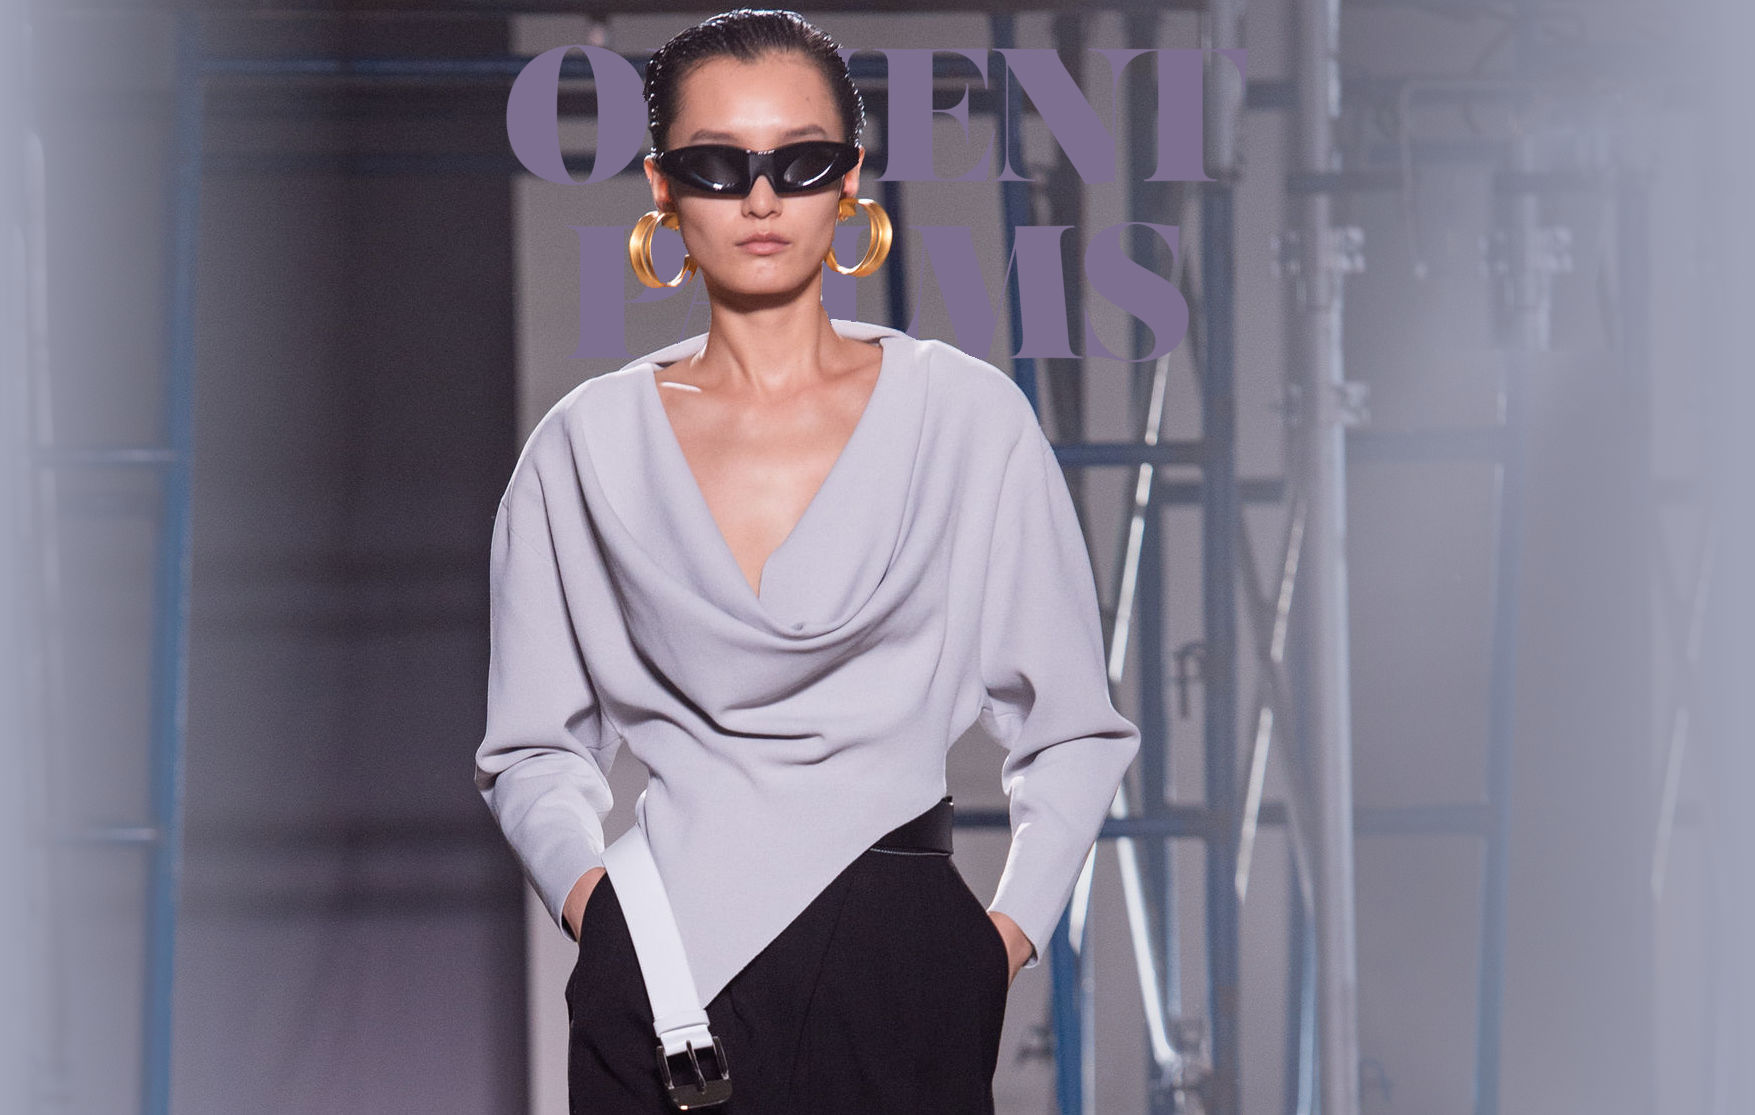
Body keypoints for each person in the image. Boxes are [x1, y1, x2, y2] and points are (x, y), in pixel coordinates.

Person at [473, 9, 1141, 1113]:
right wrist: (602, 911)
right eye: (717, 164)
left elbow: (1072, 728)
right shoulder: (585, 445)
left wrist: (995, 944)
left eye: (800, 161)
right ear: (661, 186)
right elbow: (532, 746)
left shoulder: (963, 419)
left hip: (903, 961)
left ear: (849, 178)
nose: (761, 197)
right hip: (663, 963)